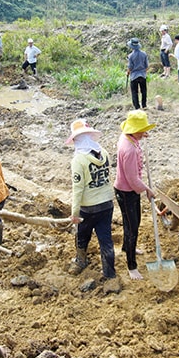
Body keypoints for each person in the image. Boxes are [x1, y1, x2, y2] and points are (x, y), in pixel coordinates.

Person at [65, 119, 116, 280]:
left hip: (89, 207)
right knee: (105, 239)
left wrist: (74, 213)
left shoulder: (78, 160)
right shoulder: (104, 153)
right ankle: (110, 274)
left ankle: (81, 260)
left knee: (82, 235)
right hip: (107, 203)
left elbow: (77, 189)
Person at [114, 110, 156, 280]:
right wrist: (147, 189)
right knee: (132, 227)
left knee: (132, 222)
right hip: (126, 191)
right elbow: (132, 179)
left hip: (127, 189)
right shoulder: (129, 149)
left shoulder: (127, 137)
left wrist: (140, 135)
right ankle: (131, 265)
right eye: (142, 129)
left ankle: (127, 247)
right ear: (134, 130)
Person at [126, 38, 149, 110]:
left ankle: (137, 106)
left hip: (134, 76)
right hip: (142, 75)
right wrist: (143, 71)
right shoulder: (144, 54)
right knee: (144, 91)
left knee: (134, 92)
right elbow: (147, 66)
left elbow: (130, 67)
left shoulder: (130, 56)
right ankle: (144, 105)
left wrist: (128, 72)